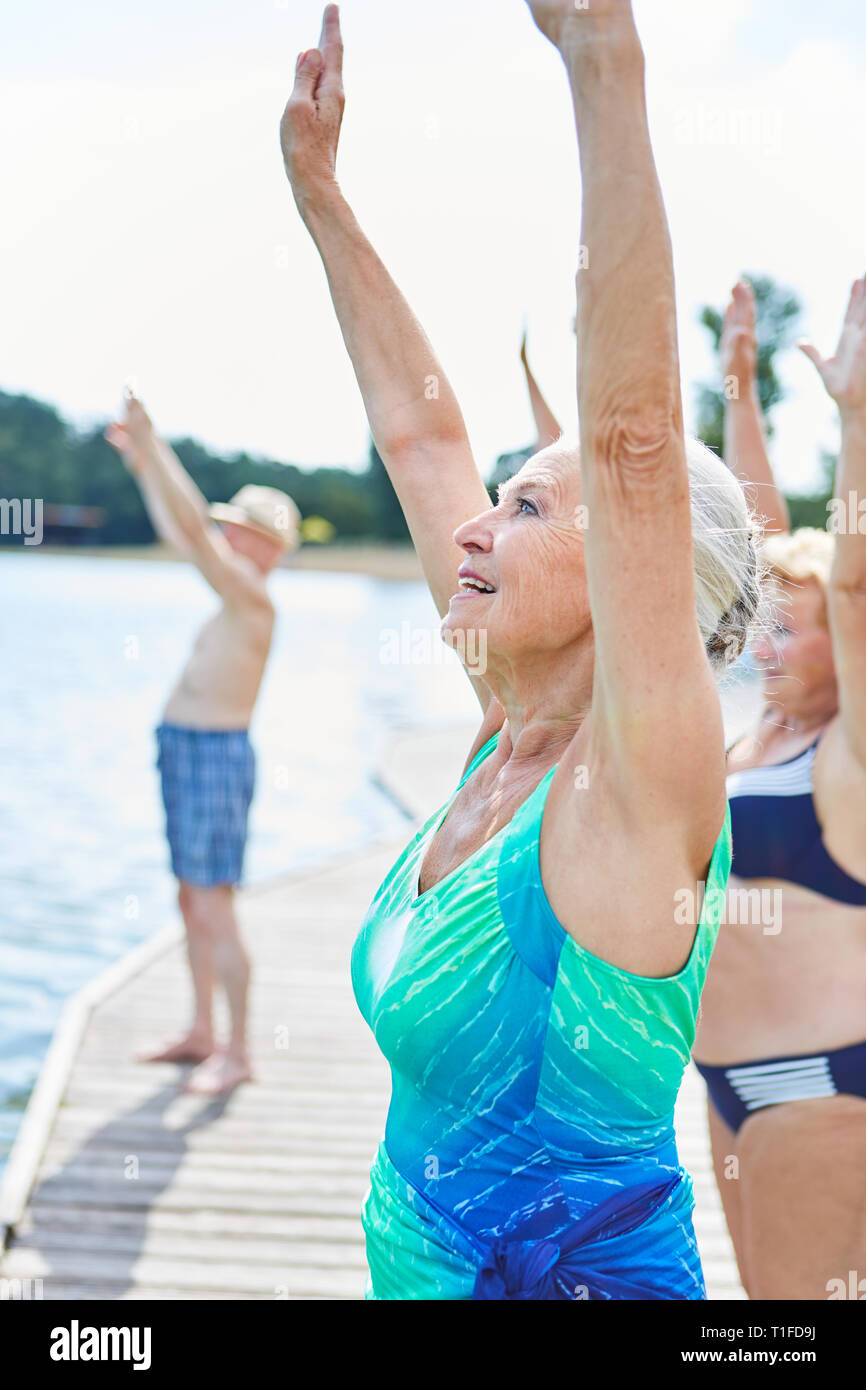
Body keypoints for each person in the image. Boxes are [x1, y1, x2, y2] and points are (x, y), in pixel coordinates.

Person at [281, 2, 762, 1299]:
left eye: (528, 506)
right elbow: (419, 437)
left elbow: (632, 437)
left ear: (629, 572)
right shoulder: (506, 728)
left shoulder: (634, 787)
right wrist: (320, 193)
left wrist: (602, 59)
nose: (474, 528)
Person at [692, 278, 866, 1299]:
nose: (765, 640)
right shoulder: (753, 736)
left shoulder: (845, 752)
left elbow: (841, 580)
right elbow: (762, 545)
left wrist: (852, 418)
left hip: (823, 1077)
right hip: (722, 1085)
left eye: (789, 630)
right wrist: (736, 391)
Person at [106, 392, 301, 1096]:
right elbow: (183, 531)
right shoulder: (232, 592)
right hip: (185, 749)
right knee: (190, 899)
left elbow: (189, 524)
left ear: (268, 547)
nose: (224, 537)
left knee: (214, 902)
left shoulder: (255, 597)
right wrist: (141, 463)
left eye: (239, 530)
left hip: (215, 757)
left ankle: (239, 1051)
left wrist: (155, 444)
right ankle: (200, 1032)